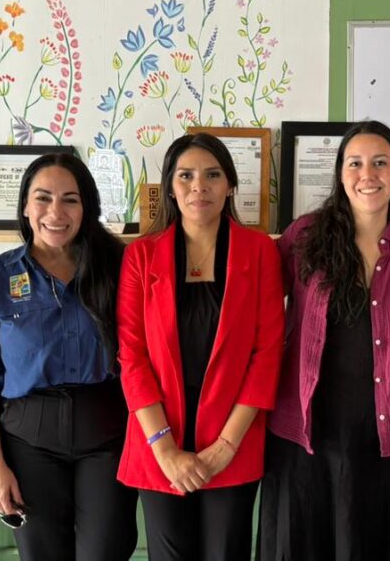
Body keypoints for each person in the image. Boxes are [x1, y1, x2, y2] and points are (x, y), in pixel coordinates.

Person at [257, 120, 390, 560]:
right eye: (355, 163)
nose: (368, 174)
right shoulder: (304, 236)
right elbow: (255, 300)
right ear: (341, 173)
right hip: (309, 433)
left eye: (380, 162)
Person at [0, 153, 137, 560]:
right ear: (25, 206)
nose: (56, 212)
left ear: (86, 207)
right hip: (28, 437)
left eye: (70, 200)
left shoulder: (119, 268)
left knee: (106, 551)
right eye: (43, 198)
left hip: (107, 432)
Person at [116, 133, 283, 560]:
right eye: (186, 175)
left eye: (212, 175)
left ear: (229, 185)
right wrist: (166, 450)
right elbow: (131, 356)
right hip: (159, 438)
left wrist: (225, 447)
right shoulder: (141, 256)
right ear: (170, 185)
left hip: (233, 437)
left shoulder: (260, 252)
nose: (199, 186)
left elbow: (267, 353)